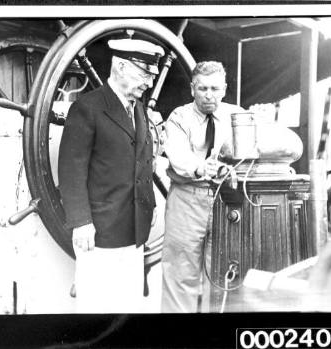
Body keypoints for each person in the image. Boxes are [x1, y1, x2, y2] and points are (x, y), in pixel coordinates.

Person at [58, 38, 164, 313]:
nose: (149, 83)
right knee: (96, 311)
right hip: (99, 233)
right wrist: (81, 222)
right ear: (119, 66)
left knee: (127, 308)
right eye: (144, 74)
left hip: (135, 230)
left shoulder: (138, 110)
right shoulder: (87, 108)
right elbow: (71, 170)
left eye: (151, 76)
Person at [161, 61, 245, 313]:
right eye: (203, 88)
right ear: (192, 89)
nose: (209, 95)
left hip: (225, 203)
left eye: (215, 88)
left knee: (222, 276)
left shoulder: (237, 116)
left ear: (225, 89)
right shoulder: (179, 117)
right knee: (180, 277)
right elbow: (177, 155)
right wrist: (201, 167)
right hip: (187, 200)